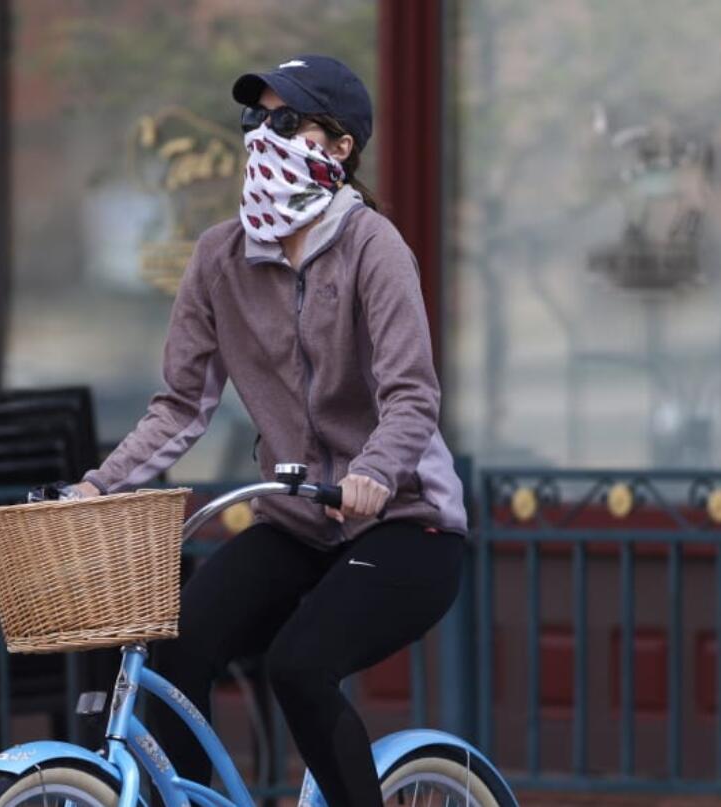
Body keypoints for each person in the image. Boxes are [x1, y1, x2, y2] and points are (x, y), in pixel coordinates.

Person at [68, 55, 469, 807]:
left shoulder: (372, 248)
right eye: (254, 120)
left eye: (285, 121)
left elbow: (412, 397)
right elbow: (181, 406)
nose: (261, 136)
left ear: (339, 146)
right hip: (297, 520)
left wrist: (375, 472)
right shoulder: (220, 258)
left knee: (299, 665)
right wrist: (97, 484)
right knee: (179, 644)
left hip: (406, 525)